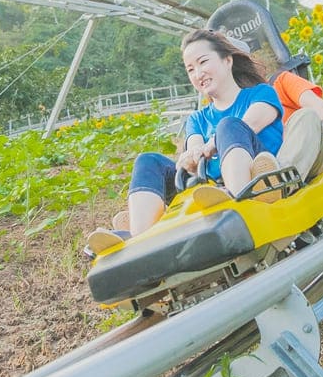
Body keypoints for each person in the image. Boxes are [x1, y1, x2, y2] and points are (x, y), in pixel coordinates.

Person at [85, 29, 284, 255]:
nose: (198, 73)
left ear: (227, 61)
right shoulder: (198, 118)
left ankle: (237, 201)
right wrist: (191, 156)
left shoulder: (261, 94)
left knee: (229, 125)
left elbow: (252, 123)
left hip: (253, 175)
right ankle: (139, 238)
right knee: (148, 160)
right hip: (208, 189)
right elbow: (195, 149)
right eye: (190, 69)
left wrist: (213, 143)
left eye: (203, 62)